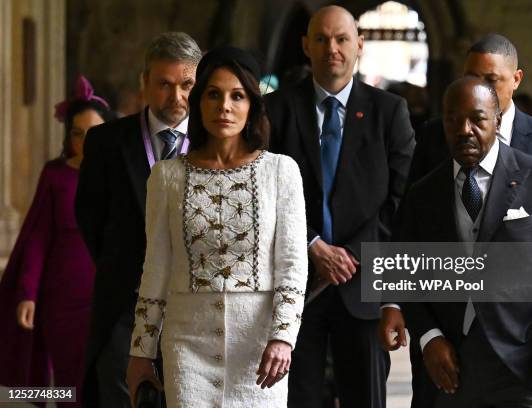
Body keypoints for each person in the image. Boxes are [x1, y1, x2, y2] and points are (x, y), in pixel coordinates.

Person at [379, 77, 532, 408]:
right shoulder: (423, 194)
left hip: (524, 365)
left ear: (497, 120)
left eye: (477, 119)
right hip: (449, 367)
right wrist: (430, 337)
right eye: (453, 119)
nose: (464, 130)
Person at [125, 46, 308, 407]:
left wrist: (283, 336)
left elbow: (293, 265)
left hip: (259, 350)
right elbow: (156, 269)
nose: (225, 106)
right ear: (199, 103)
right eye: (214, 94)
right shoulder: (167, 177)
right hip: (186, 347)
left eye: (237, 96)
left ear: (252, 104)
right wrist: (141, 351)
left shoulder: (281, 172)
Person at [265, 6, 415, 407]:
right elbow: (265, 195)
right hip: (296, 288)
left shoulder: (389, 112)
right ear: (305, 46)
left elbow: (401, 201)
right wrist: (312, 244)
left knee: (365, 398)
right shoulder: (276, 110)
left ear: (359, 46)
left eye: (342, 39)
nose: (332, 48)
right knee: (297, 399)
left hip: (363, 286)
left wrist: (350, 254)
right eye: (322, 39)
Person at [75, 32, 201, 407]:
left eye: (187, 85)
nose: (176, 97)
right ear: (144, 82)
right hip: (124, 306)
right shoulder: (106, 142)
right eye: (164, 84)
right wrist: (128, 267)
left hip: (192, 308)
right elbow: (90, 217)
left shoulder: (218, 143)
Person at [0, 76, 113, 406]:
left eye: (94, 133)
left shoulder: (120, 174)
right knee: (68, 385)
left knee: (108, 381)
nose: (86, 141)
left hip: (109, 298)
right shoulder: (55, 174)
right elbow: (37, 238)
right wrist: (27, 294)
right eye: (78, 133)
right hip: (61, 300)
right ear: (69, 135)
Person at [408, 34, 532, 212]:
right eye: (471, 78)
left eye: (491, 80)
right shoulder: (433, 135)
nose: (480, 89)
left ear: (516, 80)